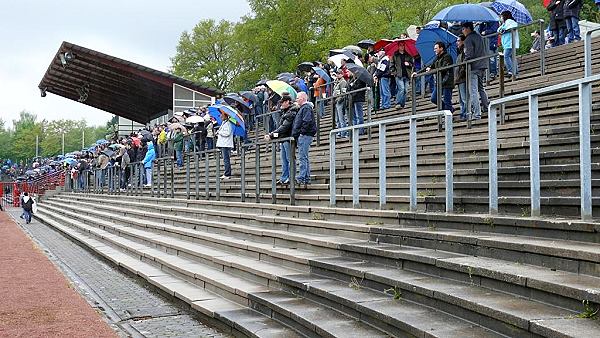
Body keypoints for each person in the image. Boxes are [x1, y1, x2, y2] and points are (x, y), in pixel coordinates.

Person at [264, 94, 297, 185]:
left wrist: (271, 135)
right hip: (284, 139)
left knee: (289, 160)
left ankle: (291, 178)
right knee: (284, 160)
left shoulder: (291, 113)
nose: (281, 104)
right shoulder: (286, 112)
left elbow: (284, 128)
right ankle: (284, 178)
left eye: (282, 102)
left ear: (287, 102)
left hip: (288, 139)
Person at [462, 22, 489, 120]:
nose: (462, 31)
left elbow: (469, 55)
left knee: (473, 91)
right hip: (482, 65)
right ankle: (486, 107)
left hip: (473, 67)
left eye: (463, 29)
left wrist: (464, 62)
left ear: (468, 28)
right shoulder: (478, 36)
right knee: (481, 88)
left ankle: (477, 113)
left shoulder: (468, 39)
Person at [292, 92, 317, 185]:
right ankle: (306, 177)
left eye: (298, 98)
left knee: (303, 157)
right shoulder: (303, 108)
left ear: (302, 98)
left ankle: (302, 177)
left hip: (305, 135)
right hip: (304, 134)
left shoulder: (306, 108)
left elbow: (306, 121)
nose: (296, 100)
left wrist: (301, 132)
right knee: (303, 157)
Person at [427, 42, 454, 113]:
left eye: (436, 48)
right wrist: (416, 73)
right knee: (434, 98)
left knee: (447, 100)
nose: (434, 50)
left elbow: (444, 68)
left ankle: (448, 114)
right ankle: (449, 110)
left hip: (447, 82)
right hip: (439, 82)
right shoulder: (437, 58)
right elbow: (429, 66)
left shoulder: (447, 56)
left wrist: (432, 70)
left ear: (441, 48)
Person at [390, 43, 413, 109]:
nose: (402, 47)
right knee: (401, 89)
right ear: (398, 46)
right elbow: (391, 65)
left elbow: (412, 64)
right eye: (400, 45)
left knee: (405, 90)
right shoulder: (395, 55)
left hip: (407, 74)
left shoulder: (408, 55)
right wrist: (395, 73)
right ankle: (398, 103)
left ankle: (402, 104)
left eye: (403, 45)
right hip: (399, 75)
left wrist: (408, 64)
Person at [498, 11, 520, 78]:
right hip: (508, 43)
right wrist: (501, 27)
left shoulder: (510, 21)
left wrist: (503, 30)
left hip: (510, 43)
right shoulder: (504, 23)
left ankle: (511, 71)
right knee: (512, 57)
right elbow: (499, 30)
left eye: (501, 16)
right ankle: (515, 71)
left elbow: (511, 27)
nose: (501, 18)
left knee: (506, 56)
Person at [216, 111, 234, 180]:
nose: (220, 116)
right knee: (225, 159)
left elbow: (227, 133)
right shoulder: (224, 123)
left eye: (222, 115)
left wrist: (219, 132)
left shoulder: (228, 123)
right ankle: (226, 172)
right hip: (223, 143)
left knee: (226, 159)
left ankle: (227, 173)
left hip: (225, 144)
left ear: (225, 116)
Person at [455, 34, 468, 120]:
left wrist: (459, 76)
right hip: (459, 78)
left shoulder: (464, 52)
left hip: (462, 78)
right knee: (460, 99)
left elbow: (463, 66)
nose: (457, 42)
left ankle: (465, 113)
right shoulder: (459, 52)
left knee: (464, 98)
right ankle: (462, 113)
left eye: (459, 41)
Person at [332, 70, 349, 138]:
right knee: (337, 119)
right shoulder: (337, 82)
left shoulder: (343, 82)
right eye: (337, 74)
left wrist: (339, 100)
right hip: (336, 101)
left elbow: (343, 92)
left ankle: (343, 132)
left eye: (339, 74)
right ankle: (339, 131)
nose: (337, 75)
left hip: (340, 102)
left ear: (342, 74)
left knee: (341, 118)